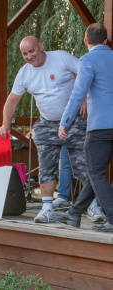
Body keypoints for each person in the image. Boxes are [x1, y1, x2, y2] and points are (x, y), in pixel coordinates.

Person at [0, 36, 88, 223]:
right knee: (46, 166)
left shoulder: (61, 57)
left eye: (32, 51)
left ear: (41, 46)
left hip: (74, 120)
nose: (29, 56)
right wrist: (6, 124)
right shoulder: (24, 73)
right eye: (25, 54)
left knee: (83, 166)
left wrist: (85, 98)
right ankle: (47, 208)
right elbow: (12, 100)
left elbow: (85, 73)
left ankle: (91, 205)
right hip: (46, 123)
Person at [57, 23, 113, 232]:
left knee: (96, 173)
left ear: (85, 41)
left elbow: (78, 94)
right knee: (95, 172)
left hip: (100, 127)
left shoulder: (87, 60)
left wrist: (65, 122)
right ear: (106, 41)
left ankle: (112, 217)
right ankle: (74, 213)